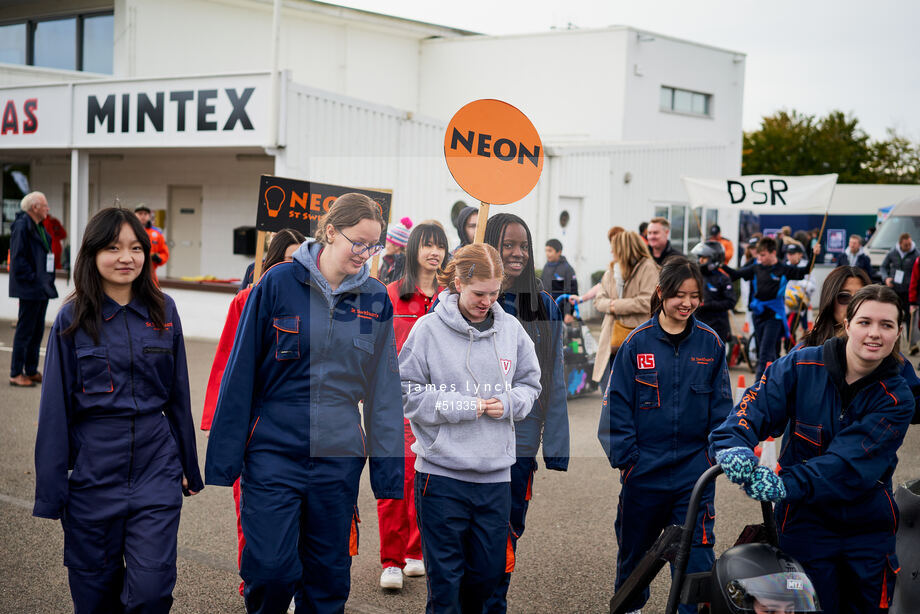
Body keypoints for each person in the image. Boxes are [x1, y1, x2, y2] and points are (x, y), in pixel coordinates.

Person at [205, 194, 405, 613]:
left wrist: (388, 473)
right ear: (330, 232)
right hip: (273, 454)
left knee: (328, 578)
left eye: (375, 247)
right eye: (359, 243)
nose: (367, 255)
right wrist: (225, 459)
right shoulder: (277, 284)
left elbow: (385, 392)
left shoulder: (375, 300)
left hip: (338, 459)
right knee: (269, 572)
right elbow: (240, 374)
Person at [33, 207, 203, 612]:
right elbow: (54, 409)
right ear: (92, 254)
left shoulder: (165, 311)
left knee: (152, 591)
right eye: (113, 247)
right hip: (93, 474)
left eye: (135, 247)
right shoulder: (72, 318)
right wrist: (53, 487)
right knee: (94, 597)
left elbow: (178, 395)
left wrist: (187, 464)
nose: (126, 257)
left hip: (155, 467)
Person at [710, 284, 913, 613]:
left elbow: (845, 465)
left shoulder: (897, 398)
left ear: (898, 332)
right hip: (804, 525)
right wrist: (734, 445)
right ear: (847, 325)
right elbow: (752, 408)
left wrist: (782, 484)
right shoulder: (800, 366)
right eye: (865, 322)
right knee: (807, 608)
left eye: (886, 325)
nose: (874, 333)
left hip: (866, 532)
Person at [399, 243, 541, 613]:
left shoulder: (511, 329)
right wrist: (462, 407)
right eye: (480, 293)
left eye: (495, 293)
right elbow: (404, 392)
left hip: (495, 478)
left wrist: (510, 403)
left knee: (486, 579)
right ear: (459, 283)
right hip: (440, 477)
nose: (488, 301)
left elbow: (530, 384)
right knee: (445, 586)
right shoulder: (427, 330)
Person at [599, 256, 733, 614]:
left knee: (696, 563)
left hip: (694, 477)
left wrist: (711, 461)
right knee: (634, 560)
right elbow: (615, 411)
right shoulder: (636, 344)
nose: (686, 303)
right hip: (644, 475)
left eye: (694, 295)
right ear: (661, 293)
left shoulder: (711, 344)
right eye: (678, 295)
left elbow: (722, 412)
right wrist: (629, 463)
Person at [199, 228, 305, 597]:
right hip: (253, 427)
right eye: (287, 258)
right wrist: (220, 422)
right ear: (272, 261)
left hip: (298, 431)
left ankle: (291, 582)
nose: (294, 266)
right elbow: (228, 361)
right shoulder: (248, 298)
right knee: (253, 512)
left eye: (301, 258)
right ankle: (255, 581)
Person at [482, 214, 569, 612]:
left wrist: (556, 446)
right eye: (507, 245)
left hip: (519, 441)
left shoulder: (544, 306)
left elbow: (553, 377)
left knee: (504, 532)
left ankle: (494, 603)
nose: (517, 254)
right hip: (466, 436)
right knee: (465, 533)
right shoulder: (470, 296)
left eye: (523, 246)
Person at [377, 222, 448, 590]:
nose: (433, 252)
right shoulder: (390, 294)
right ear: (413, 250)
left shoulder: (450, 297)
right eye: (427, 245)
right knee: (395, 480)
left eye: (439, 246)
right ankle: (390, 560)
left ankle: (415, 551)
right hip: (394, 405)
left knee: (427, 479)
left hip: (438, 405)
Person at [800, 266, 920, 420]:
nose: (853, 305)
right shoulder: (802, 355)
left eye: (862, 297)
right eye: (844, 297)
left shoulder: (890, 360)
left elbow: (916, 404)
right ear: (830, 300)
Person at [727, 237, 808, 381]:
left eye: (763, 255)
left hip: (775, 316)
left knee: (764, 353)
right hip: (758, 314)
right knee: (767, 352)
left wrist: (814, 254)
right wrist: (718, 264)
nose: (760, 258)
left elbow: (805, 270)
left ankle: (757, 387)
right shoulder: (756, 267)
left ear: (773, 253)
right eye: (758, 255)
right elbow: (735, 275)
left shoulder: (783, 269)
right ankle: (778, 379)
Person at [593, 230, 659, 388]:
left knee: (634, 390)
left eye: (614, 248)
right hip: (610, 340)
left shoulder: (648, 268)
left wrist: (615, 305)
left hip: (637, 337)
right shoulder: (611, 272)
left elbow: (648, 301)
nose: (611, 251)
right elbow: (598, 300)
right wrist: (613, 305)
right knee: (607, 391)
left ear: (625, 248)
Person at [9, 191, 58, 387]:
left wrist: (44, 280)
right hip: (30, 288)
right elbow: (18, 259)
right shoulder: (22, 227)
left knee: (37, 330)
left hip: (41, 288)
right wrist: (34, 279)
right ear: (34, 207)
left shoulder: (38, 227)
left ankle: (30, 369)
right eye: (45, 205)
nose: (47, 209)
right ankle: (15, 373)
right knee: (25, 331)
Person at [691, 240, 734, 343]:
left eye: (704, 258)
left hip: (717, 328)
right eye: (699, 257)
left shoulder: (722, 279)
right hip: (697, 325)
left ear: (713, 258)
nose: (700, 261)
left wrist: (707, 304)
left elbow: (730, 302)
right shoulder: (695, 276)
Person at [782, 243, 816, 347]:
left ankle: (806, 350)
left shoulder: (806, 266)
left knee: (806, 332)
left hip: (802, 306)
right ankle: (789, 351)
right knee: (788, 331)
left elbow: (812, 286)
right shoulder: (784, 266)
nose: (790, 256)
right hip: (787, 307)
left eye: (793, 254)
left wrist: (801, 286)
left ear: (800, 254)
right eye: (789, 254)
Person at [540, 238, 578, 322]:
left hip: (561, 314)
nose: (547, 254)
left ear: (559, 252)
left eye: (550, 251)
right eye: (546, 251)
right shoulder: (546, 267)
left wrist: (569, 313)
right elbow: (542, 288)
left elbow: (573, 292)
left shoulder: (568, 269)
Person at [880, 232, 918, 313]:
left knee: (909, 316)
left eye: (910, 244)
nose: (908, 246)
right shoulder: (892, 252)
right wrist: (886, 278)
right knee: (893, 312)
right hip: (894, 288)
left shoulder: (916, 254)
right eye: (906, 245)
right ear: (900, 244)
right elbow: (883, 267)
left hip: (908, 291)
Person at [134, 204, 170, 282]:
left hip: (150, 275)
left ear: (149, 216)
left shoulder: (156, 233)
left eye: (145, 214)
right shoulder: (128, 231)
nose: (143, 216)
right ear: (134, 215)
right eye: (140, 213)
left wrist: (158, 258)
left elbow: (164, 252)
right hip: (131, 272)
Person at [379, 216, 413, 284]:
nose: (386, 246)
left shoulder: (404, 265)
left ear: (397, 246)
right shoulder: (387, 261)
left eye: (388, 243)